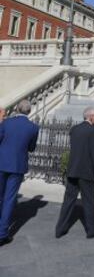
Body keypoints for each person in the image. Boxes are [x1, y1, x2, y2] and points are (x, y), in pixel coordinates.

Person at [56, 107, 94, 239]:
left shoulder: (74, 129)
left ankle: (60, 229)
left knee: (68, 200)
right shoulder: (93, 131)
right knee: (89, 201)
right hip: (86, 171)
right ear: (90, 116)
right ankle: (92, 230)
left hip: (73, 169)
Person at [0, 100, 39, 246]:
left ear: (16, 109)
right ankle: (2, 233)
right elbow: (31, 148)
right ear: (29, 111)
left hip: (1, 163)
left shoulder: (6, 123)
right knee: (9, 199)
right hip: (17, 166)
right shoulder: (34, 127)